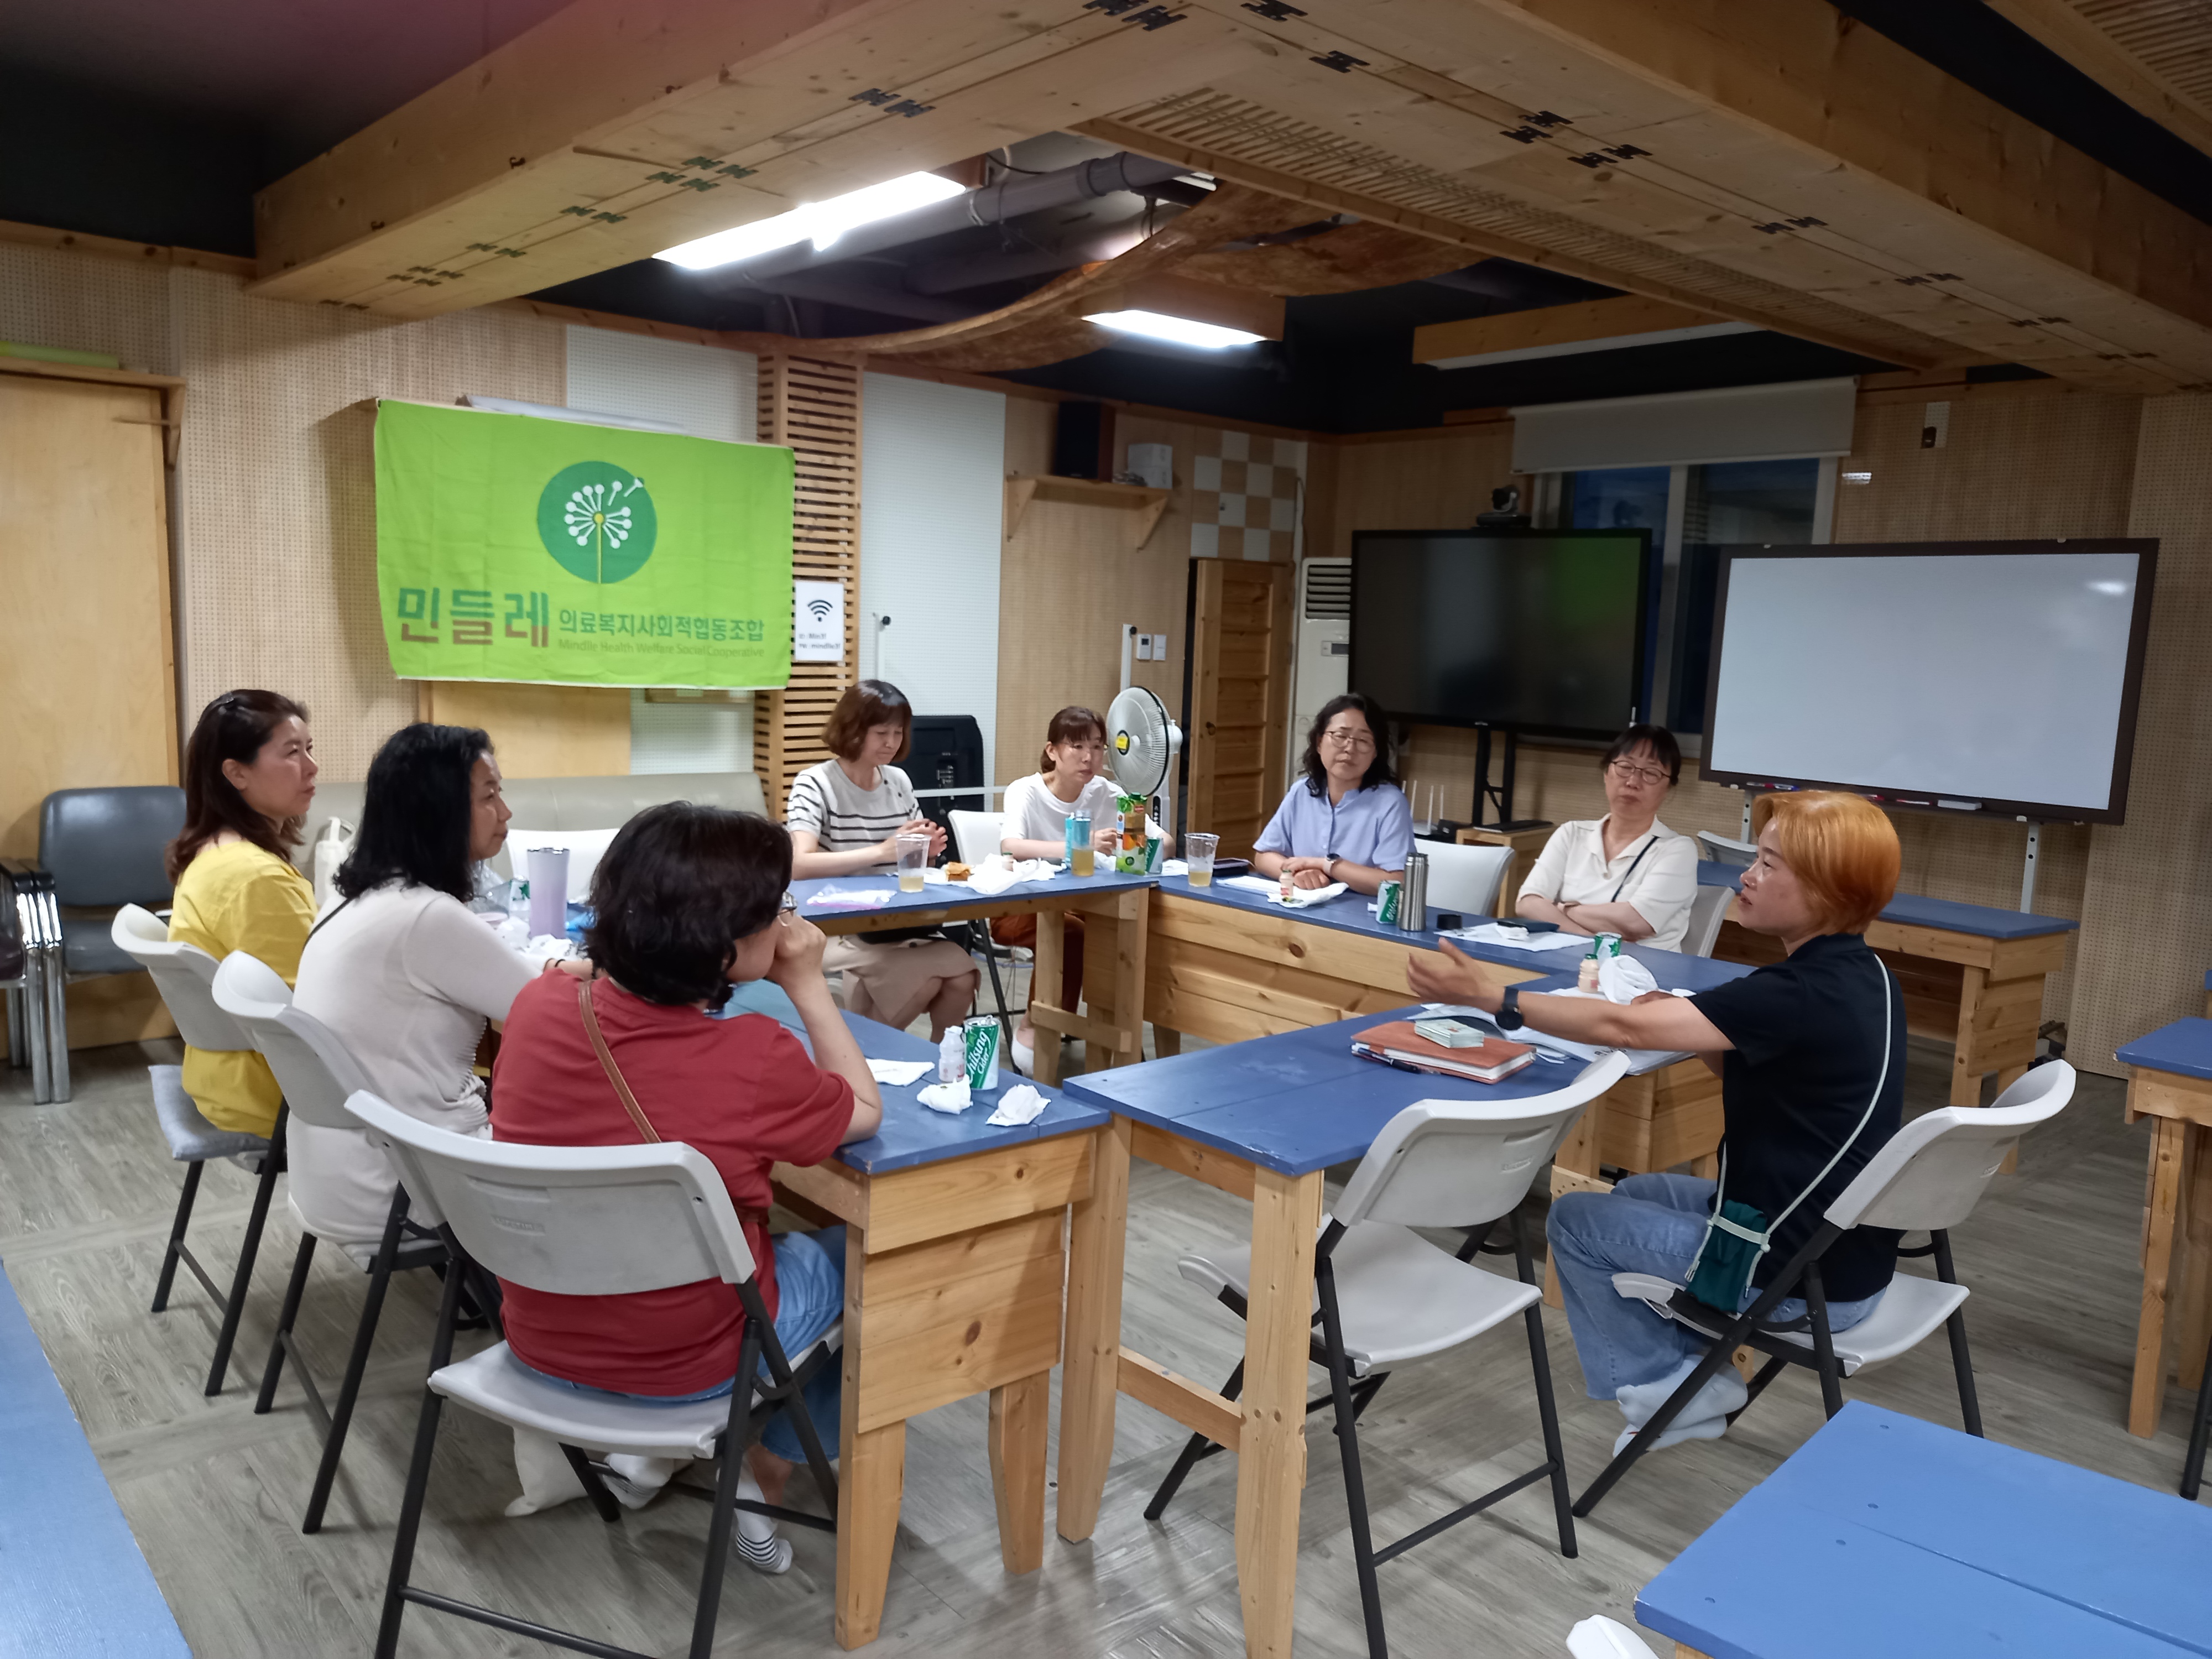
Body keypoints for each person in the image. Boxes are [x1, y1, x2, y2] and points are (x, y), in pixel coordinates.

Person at [1407, 790, 1905, 1457]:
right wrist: (1694, 1023)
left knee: (1574, 1221)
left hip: (1794, 1279)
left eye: (1767, 863)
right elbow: (1766, 1070)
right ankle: (1700, 1370)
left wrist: (1496, 998)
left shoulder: (1794, 994)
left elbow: (1622, 1028)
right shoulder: (1866, 973)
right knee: (1639, 1191)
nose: (1747, 876)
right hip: (1844, 1252)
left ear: (1826, 890)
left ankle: (1671, 1390)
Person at [490, 804, 883, 1572]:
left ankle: (662, 1459)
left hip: (542, 1335)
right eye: (776, 909)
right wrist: (808, 983)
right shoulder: (754, 1057)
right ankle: (767, 1472)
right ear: (729, 944)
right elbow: (863, 1111)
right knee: (878, 1258)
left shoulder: (536, 1007)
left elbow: (586, 986)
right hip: (687, 1363)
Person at [291, 724, 585, 1250]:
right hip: (405, 1187)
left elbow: (514, 979)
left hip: (345, 1174)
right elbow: (555, 1011)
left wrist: (565, 969)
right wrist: (601, 970)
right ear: (439, 810)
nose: (506, 813)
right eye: (489, 797)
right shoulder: (424, 916)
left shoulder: (357, 896)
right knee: (605, 1124)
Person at [165, 690, 320, 1138]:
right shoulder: (255, 876)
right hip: (280, 1095)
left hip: (228, 1081)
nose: (312, 767)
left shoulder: (216, 851)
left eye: (309, 749)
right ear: (236, 773)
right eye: (292, 752)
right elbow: (316, 1008)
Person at [785, 680, 978, 1039]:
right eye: (881, 733)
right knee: (934, 976)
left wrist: (925, 852)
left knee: (962, 977)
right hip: (839, 928)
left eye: (898, 732)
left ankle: (940, 1061)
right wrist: (883, 851)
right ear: (853, 730)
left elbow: (910, 863)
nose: (892, 743)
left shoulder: (898, 780)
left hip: (900, 922)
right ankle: (860, 1053)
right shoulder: (815, 783)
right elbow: (799, 864)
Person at [994, 706, 1121, 1077]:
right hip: (1019, 905)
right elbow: (1011, 846)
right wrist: (1079, 845)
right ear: (1053, 751)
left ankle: (1109, 1030)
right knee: (1072, 932)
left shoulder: (1106, 792)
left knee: (1118, 931)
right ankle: (1036, 1023)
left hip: (1084, 903)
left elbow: (1165, 841)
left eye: (1097, 747)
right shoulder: (1026, 790)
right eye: (1077, 746)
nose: (1089, 757)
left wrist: (1140, 837)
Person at [1516, 723, 1699, 951]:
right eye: (1625, 767)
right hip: (1566, 958)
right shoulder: (1571, 833)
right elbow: (1528, 903)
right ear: (1607, 773)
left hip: (1643, 968)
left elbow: (1636, 923)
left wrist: (1561, 909)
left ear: (1668, 788)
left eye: (1651, 774)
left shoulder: (1677, 849)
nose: (1633, 782)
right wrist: (1592, 941)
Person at [1253, 692, 1414, 897]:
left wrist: (1328, 866)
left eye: (1363, 740)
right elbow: (1264, 855)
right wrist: (1295, 874)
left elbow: (1398, 882)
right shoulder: (1302, 791)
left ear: (1375, 753)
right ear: (1320, 742)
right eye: (1340, 736)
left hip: (1360, 912)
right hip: (1303, 906)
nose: (1350, 748)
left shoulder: (1390, 802)